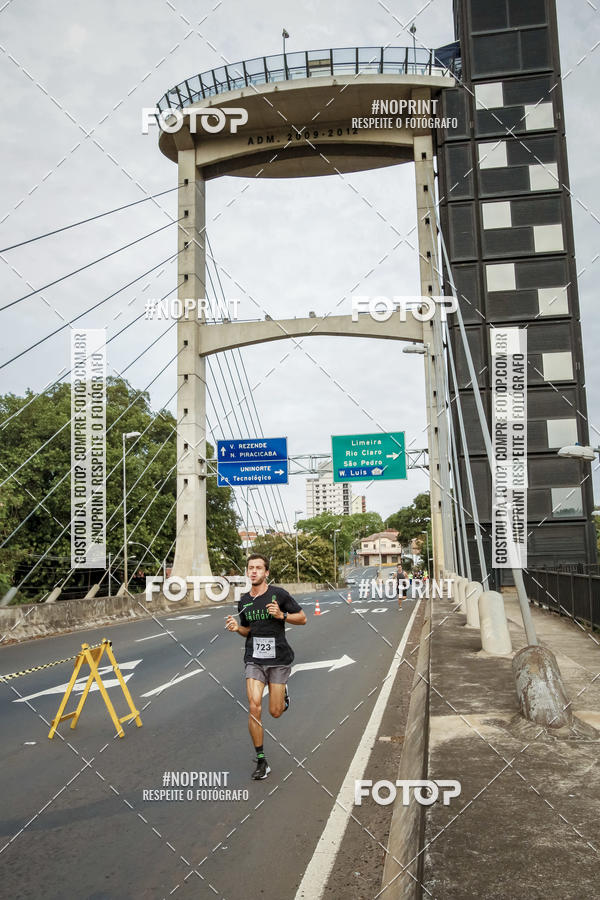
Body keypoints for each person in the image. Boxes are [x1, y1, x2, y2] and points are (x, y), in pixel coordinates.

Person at [225, 553, 307, 780]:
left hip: (278, 659)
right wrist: (236, 629)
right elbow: (247, 631)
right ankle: (262, 760)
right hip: (254, 659)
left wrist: (282, 615)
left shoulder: (278, 594)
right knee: (254, 707)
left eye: (258, 568)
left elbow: (302, 618)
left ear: (266, 572)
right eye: (250, 568)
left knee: (275, 712)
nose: (254, 571)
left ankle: (283, 693)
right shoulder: (244, 600)